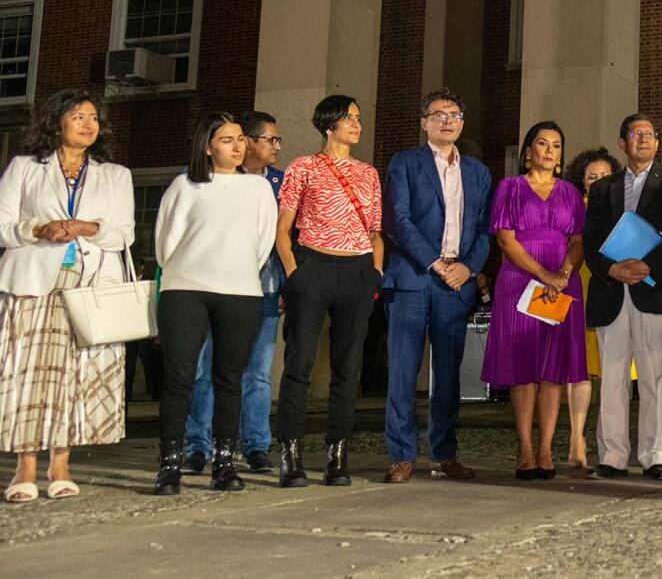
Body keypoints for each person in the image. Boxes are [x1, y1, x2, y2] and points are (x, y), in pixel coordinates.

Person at [0, 90, 135, 504]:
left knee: (77, 375)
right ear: (56, 123)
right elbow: (2, 225)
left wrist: (87, 227)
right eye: (78, 116)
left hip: (91, 285)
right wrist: (37, 230)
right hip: (32, 282)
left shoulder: (116, 175)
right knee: (28, 373)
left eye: (93, 117)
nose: (88, 124)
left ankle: (61, 465)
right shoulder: (25, 167)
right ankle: (24, 467)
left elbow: (124, 235)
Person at [152, 113, 278, 495]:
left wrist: (234, 271)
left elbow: (263, 243)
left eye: (241, 139)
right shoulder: (185, 185)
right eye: (227, 140)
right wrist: (191, 270)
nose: (238, 146)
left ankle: (224, 464)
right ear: (207, 147)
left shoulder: (258, 188)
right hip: (184, 290)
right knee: (179, 378)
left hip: (240, 292)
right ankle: (170, 465)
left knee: (229, 379)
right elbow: (164, 244)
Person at [381, 89, 494, 483]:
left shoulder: (478, 172)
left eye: (454, 114)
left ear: (462, 123)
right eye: (439, 114)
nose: (447, 120)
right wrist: (435, 262)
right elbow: (397, 219)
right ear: (424, 122)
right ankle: (401, 455)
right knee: (403, 369)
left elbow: (485, 229)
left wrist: (469, 266)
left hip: (457, 282)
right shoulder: (405, 163)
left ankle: (444, 454)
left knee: (448, 372)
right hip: (413, 277)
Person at [275, 95, 384, 488]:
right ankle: (290, 454)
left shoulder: (368, 173)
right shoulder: (303, 167)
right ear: (328, 124)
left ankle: (338, 455)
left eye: (358, 118)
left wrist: (375, 271)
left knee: (348, 366)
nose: (357, 124)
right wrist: (295, 273)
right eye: (348, 118)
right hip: (313, 266)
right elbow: (282, 229)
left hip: (357, 270)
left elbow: (375, 231)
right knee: (300, 362)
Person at [583, 114, 662, 480]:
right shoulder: (603, 189)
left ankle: (655, 455)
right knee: (613, 379)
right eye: (636, 133)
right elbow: (591, 241)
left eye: (649, 134)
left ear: (657, 142)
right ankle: (612, 456)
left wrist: (647, 266)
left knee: (653, 378)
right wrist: (611, 269)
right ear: (622, 143)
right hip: (611, 290)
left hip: (655, 289)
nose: (644, 139)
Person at [182, 111, 287, 477]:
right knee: (207, 369)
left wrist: (286, 283)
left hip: (265, 287)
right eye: (270, 139)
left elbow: (287, 236)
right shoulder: (215, 179)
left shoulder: (281, 183)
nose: (276, 147)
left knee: (258, 372)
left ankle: (256, 446)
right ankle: (198, 445)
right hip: (215, 286)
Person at [482, 121, 586, 480]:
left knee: (552, 369)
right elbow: (505, 241)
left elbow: (578, 242)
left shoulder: (570, 192)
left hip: (562, 281)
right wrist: (545, 275)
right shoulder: (509, 188)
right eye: (542, 143)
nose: (549, 150)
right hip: (520, 280)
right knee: (522, 368)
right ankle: (525, 448)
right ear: (528, 152)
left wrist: (563, 275)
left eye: (556, 145)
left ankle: (546, 450)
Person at [564, 147, 618, 466]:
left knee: (612, 370)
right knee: (580, 366)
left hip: (613, 286)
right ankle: (577, 438)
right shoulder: (574, 207)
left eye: (604, 176)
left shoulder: (622, 206)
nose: (597, 182)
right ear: (581, 180)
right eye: (591, 177)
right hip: (579, 283)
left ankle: (609, 441)